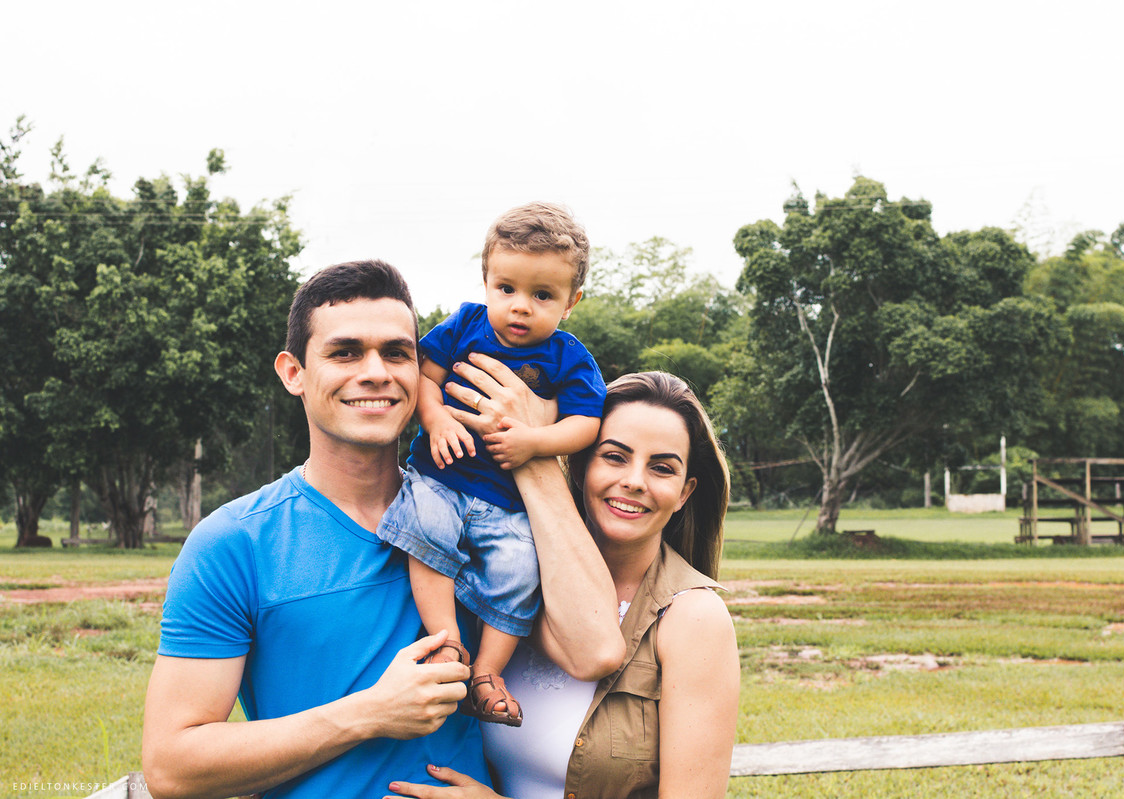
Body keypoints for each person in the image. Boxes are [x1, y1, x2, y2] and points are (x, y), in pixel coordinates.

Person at [141, 260, 623, 799]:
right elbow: (172, 767)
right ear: (292, 372)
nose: (376, 372)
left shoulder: (492, 527)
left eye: (397, 353)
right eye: (345, 352)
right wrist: (370, 713)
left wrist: (528, 443)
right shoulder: (233, 543)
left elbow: (597, 649)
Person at [388, 367, 740, 799]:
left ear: (684, 493)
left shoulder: (693, 619)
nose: (634, 481)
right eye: (614, 456)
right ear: (578, 465)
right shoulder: (512, 575)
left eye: (662, 468)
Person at [376, 202, 606, 727]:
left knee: (522, 571)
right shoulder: (463, 325)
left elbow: (586, 424)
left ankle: (487, 673)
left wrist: (533, 440)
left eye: (542, 295)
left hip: (507, 502)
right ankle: (447, 642)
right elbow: (425, 378)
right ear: (486, 282)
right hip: (443, 475)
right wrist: (434, 420)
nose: (520, 307)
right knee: (427, 531)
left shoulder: (571, 358)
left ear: (571, 302)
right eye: (507, 289)